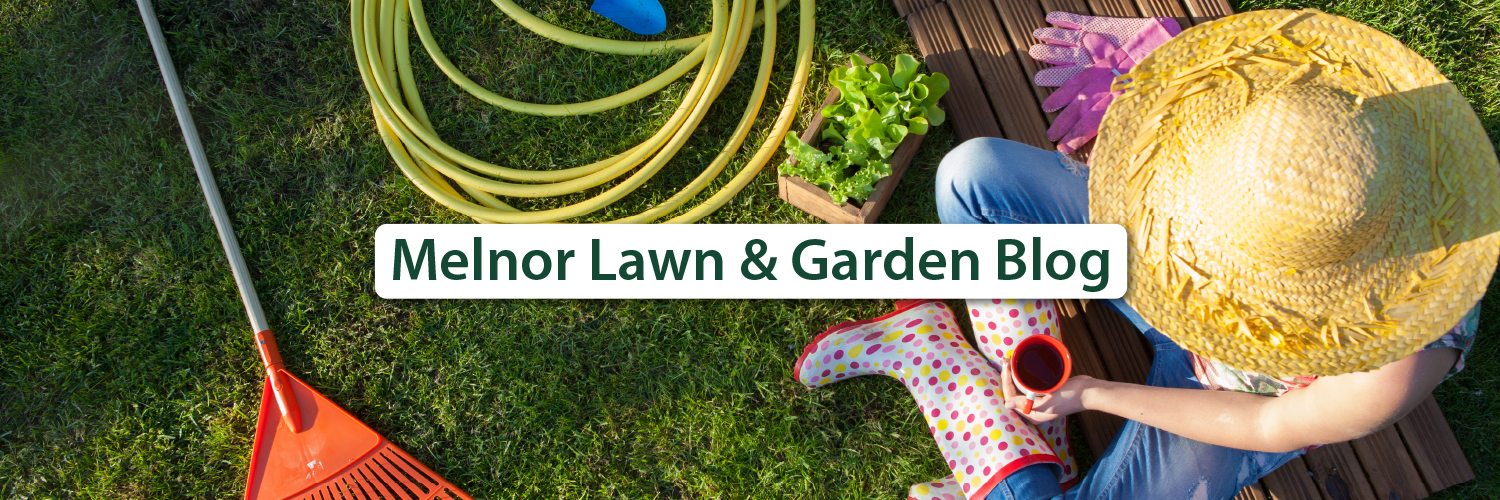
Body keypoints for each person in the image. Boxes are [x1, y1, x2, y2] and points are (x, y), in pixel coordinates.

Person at [794, 9, 1498, 500]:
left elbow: (1265, 422)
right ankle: (1042, 442)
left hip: (1223, 396)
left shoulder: (1398, 360)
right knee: (972, 178)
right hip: (1168, 262)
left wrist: (1093, 393)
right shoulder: (1332, 125)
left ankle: (933, 360)